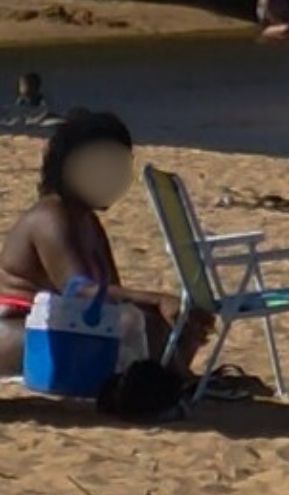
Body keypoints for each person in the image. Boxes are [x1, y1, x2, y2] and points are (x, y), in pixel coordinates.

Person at [0, 111, 213, 377]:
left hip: (60, 323)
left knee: (168, 324)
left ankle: (174, 379)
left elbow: (111, 293)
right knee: (144, 325)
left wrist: (177, 312)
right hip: (19, 326)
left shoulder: (86, 220)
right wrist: (158, 300)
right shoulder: (50, 216)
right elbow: (79, 290)